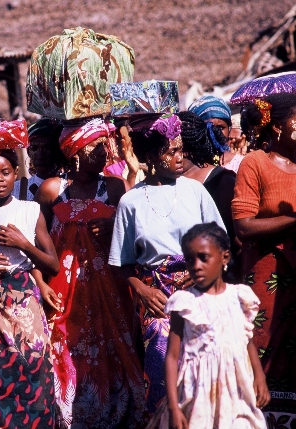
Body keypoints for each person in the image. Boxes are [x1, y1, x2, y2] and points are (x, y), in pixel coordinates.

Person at [108, 114, 225, 414]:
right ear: (149, 157)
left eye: (180, 149)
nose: (179, 157)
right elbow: (120, 264)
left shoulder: (195, 191)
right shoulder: (130, 202)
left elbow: (220, 245)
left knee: (204, 373)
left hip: (199, 292)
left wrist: (204, 274)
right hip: (157, 301)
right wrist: (142, 292)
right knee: (162, 367)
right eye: (170, 151)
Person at [34, 118, 146, 428]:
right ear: (76, 152)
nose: (104, 154)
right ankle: (69, 414)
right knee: (67, 344)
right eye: (96, 148)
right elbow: (37, 241)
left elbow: (132, 233)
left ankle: (114, 413)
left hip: (109, 286)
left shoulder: (112, 187)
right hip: (64, 289)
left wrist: (113, 226)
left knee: (112, 344)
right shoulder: (52, 190)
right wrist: (41, 285)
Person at [0, 149, 60, 428]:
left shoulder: (29, 211)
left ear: (16, 174)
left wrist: (23, 244)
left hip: (24, 299)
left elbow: (52, 265)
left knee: (33, 367)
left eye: (5, 172)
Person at [160, 223, 269, 428]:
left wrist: (260, 376)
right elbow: (172, 357)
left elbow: (247, 342)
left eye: (203, 257)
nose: (196, 265)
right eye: (190, 259)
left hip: (237, 394)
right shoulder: (185, 303)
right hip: (197, 396)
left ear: (224, 257)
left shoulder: (239, 297)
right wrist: (174, 407)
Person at [233, 93, 296, 424]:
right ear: (277, 126)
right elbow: (243, 226)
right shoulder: (254, 163)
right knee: (262, 346)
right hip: (266, 277)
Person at [177, 111, 241, 281]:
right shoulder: (169, 183)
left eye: (175, 149)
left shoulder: (223, 181)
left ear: (186, 149)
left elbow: (235, 238)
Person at [188, 95, 245, 172]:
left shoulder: (241, 164)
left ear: (229, 129)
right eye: (209, 127)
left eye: (221, 127)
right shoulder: (188, 167)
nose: (215, 132)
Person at [24, 118, 67, 199]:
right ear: (28, 152)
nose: (40, 155)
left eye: (47, 147)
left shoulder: (71, 187)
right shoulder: (18, 189)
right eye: (34, 148)